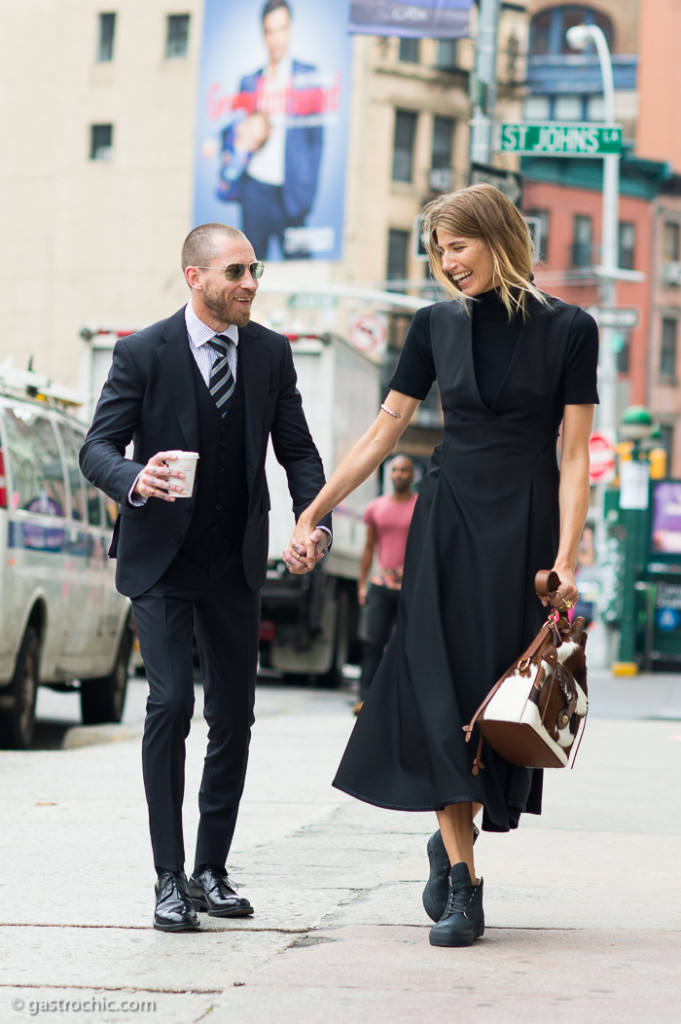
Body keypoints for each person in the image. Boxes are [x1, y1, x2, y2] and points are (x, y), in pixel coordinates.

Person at [285, 183, 598, 948]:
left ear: (494, 236)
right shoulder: (431, 327)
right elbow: (382, 433)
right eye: (436, 251)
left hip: (523, 530)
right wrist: (315, 508)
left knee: (498, 703)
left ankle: (453, 839)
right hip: (448, 522)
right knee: (441, 691)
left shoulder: (571, 330)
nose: (445, 263)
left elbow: (571, 457)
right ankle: (464, 886)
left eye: (455, 245)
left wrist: (563, 556)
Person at [80, 222, 331, 933]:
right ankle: (167, 878)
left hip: (233, 563)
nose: (250, 284)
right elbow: (96, 448)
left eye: (255, 271)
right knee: (169, 707)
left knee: (234, 715)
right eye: (235, 273)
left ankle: (210, 870)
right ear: (194, 277)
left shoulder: (270, 354)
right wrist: (136, 476)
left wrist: (311, 523)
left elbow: (300, 456)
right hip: (160, 562)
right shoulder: (142, 353)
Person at [234, 0, 323, 258]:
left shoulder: (308, 77)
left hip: (291, 193)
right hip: (255, 190)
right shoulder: (250, 82)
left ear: (290, 29)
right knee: (249, 274)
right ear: (264, 34)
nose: (276, 38)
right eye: (270, 31)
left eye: (281, 28)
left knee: (302, 270)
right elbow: (236, 132)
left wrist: (307, 193)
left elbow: (316, 140)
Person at [355, 455, 417, 715]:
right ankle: (365, 699)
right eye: (395, 470)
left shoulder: (421, 506)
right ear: (389, 475)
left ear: (413, 476)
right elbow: (369, 547)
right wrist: (362, 584)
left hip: (409, 588)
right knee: (373, 642)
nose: (399, 474)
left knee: (407, 645)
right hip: (381, 585)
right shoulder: (376, 508)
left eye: (404, 470)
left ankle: (402, 700)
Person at [215, 111, 271, 203]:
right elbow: (220, 122)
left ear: (254, 147)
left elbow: (229, 177)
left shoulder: (241, 160)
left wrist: (239, 153)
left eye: (252, 137)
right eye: (249, 126)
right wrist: (212, 139)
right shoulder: (233, 122)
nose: (246, 134)